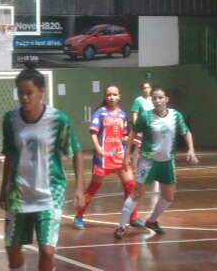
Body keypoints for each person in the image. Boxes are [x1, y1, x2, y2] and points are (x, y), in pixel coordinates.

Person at [0, 64, 84, 271]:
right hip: (18, 193)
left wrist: (80, 186)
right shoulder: (10, 120)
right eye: (20, 93)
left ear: (41, 93)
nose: (24, 98)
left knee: (47, 250)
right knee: (13, 248)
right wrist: (3, 188)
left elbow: (76, 151)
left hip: (51, 192)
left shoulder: (59, 120)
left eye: (29, 93)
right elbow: (11, 155)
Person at [115, 87, 199, 239]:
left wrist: (191, 150)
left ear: (166, 99)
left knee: (169, 196)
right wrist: (127, 154)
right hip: (148, 161)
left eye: (160, 97)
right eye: (154, 98)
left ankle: (152, 221)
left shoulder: (176, 115)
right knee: (137, 193)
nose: (157, 100)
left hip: (167, 162)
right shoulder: (145, 117)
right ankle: (121, 226)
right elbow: (133, 133)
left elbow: (186, 132)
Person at [73, 85, 143, 230]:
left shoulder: (123, 115)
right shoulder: (100, 113)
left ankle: (134, 216)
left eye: (114, 94)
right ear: (105, 96)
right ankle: (79, 216)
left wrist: (133, 143)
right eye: (109, 94)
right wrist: (98, 148)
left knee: (131, 186)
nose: (111, 97)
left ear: (119, 96)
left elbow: (124, 135)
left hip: (120, 156)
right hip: (103, 157)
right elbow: (93, 132)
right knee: (94, 187)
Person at [130, 82, 154, 172]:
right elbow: (135, 114)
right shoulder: (138, 100)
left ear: (151, 88)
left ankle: (152, 165)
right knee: (138, 146)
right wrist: (137, 127)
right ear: (142, 90)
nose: (146, 89)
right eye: (144, 88)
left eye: (148, 87)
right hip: (141, 127)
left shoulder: (153, 99)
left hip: (152, 128)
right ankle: (134, 166)